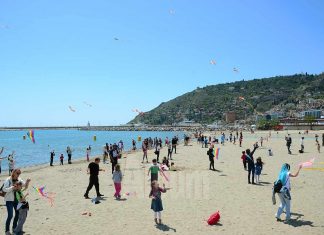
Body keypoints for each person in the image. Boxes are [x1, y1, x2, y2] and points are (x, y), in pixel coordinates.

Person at [2, 169, 31, 235]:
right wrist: (12, 187)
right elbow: (4, 189)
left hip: (16, 200)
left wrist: (27, 181)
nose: (18, 175)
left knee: (17, 214)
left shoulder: (19, 179)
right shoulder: (8, 180)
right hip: (9, 200)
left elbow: (24, 185)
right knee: (10, 215)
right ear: (13, 173)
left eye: (19, 173)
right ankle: (7, 231)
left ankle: (14, 228)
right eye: (17, 173)